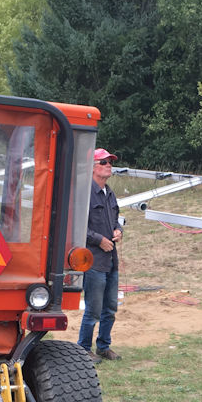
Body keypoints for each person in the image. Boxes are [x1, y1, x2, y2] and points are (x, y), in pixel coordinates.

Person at [77, 147, 124, 362]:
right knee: (93, 310)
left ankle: (104, 346)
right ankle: (84, 348)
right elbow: (77, 228)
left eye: (110, 162)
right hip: (94, 260)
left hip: (111, 260)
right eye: (104, 162)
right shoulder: (85, 194)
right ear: (93, 167)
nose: (109, 166)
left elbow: (116, 218)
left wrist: (118, 231)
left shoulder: (109, 192)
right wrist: (100, 240)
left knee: (110, 307)